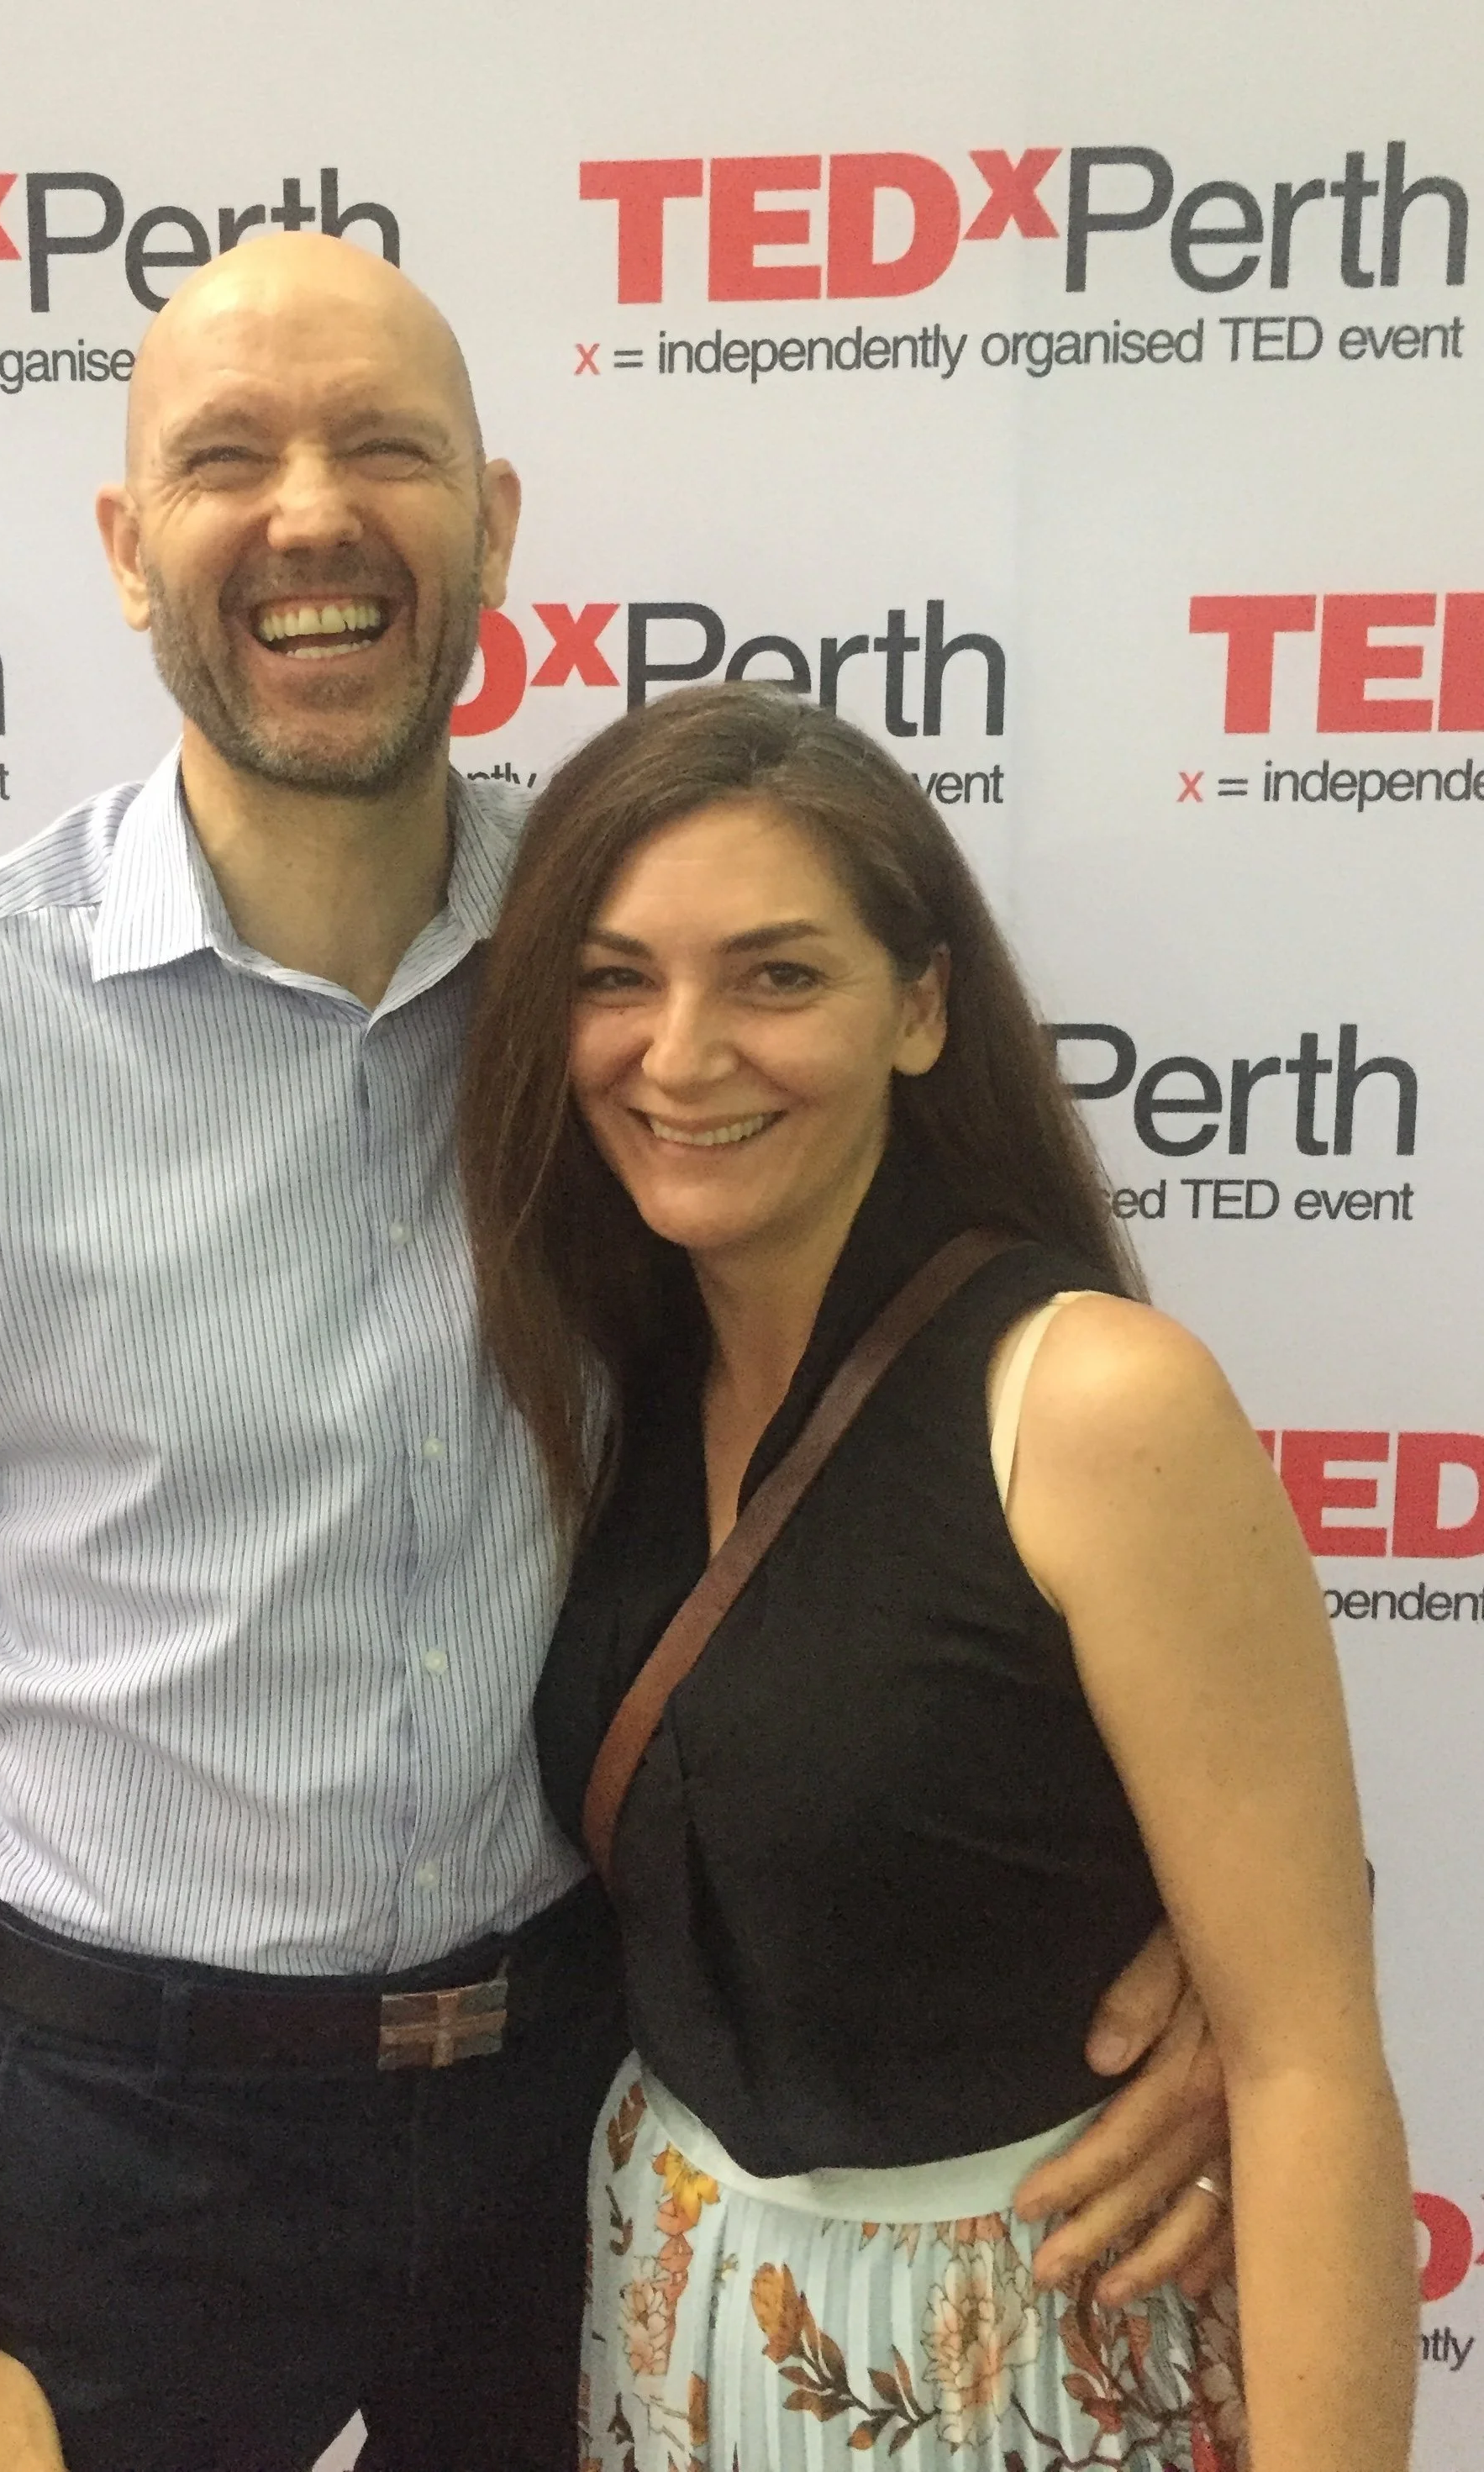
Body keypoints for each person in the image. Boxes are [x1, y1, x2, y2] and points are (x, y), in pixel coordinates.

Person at [0, 233, 1229, 2472]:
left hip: (577, 2088)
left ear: (494, 524)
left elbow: (986, 1417)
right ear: (129, 552)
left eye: (385, 448)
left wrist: (1240, 1922)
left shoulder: (635, 986)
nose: (309, 512)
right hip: (114, 2132)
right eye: (226, 460)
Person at [455, 683, 1418, 2471]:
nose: (681, 1052)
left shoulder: (1089, 1399)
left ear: (920, 1008)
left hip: (1030, 2353)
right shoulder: (614, 1366)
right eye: (614, 978)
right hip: (671, 2321)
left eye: (777, 976)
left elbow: (1306, 2070)